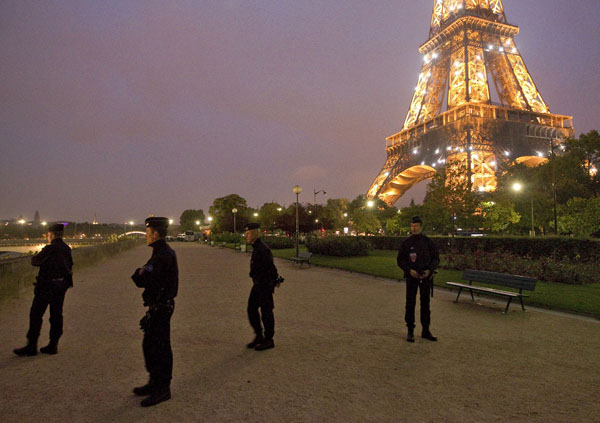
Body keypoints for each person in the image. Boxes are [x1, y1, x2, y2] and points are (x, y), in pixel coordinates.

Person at [131, 216, 178, 407]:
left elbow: (143, 279)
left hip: (161, 306)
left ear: (156, 234)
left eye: (148, 233)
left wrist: (140, 272)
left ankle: (162, 388)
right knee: (150, 345)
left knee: (160, 348)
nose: (146, 236)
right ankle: (154, 382)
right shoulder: (161, 253)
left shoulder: (162, 255)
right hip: (158, 306)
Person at [14, 223, 73, 356]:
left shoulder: (50, 248)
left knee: (36, 315)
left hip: (46, 286)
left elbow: (35, 261)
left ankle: (31, 345)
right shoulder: (66, 248)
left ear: (51, 234)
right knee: (56, 315)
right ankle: (53, 345)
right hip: (60, 286)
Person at [397, 216, 439, 343]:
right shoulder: (407, 243)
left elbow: (435, 258)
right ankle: (410, 330)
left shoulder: (428, 242)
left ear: (421, 227)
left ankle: (425, 329)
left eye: (416, 226)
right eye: (412, 226)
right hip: (412, 276)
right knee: (410, 304)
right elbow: (400, 260)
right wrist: (409, 270)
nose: (413, 228)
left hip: (425, 277)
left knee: (425, 304)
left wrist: (429, 270)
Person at [245, 222, 281, 351]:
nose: (246, 236)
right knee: (251, 309)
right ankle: (259, 335)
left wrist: (273, 280)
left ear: (254, 233)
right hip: (258, 284)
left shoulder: (262, 249)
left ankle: (268, 339)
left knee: (266, 312)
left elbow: (269, 267)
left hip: (264, 284)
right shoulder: (257, 248)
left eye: (248, 233)